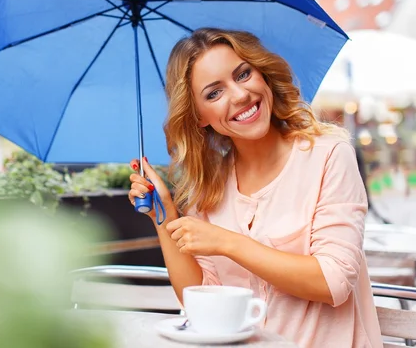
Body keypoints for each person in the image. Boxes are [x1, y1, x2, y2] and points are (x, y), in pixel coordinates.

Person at [127, 28, 382, 348]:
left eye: (243, 74)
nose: (240, 95)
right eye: (214, 93)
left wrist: (227, 243)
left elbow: (333, 281)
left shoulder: (329, 155)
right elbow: (201, 297)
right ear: (199, 118)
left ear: (262, 73)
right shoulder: (209, 187)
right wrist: (162, 216)